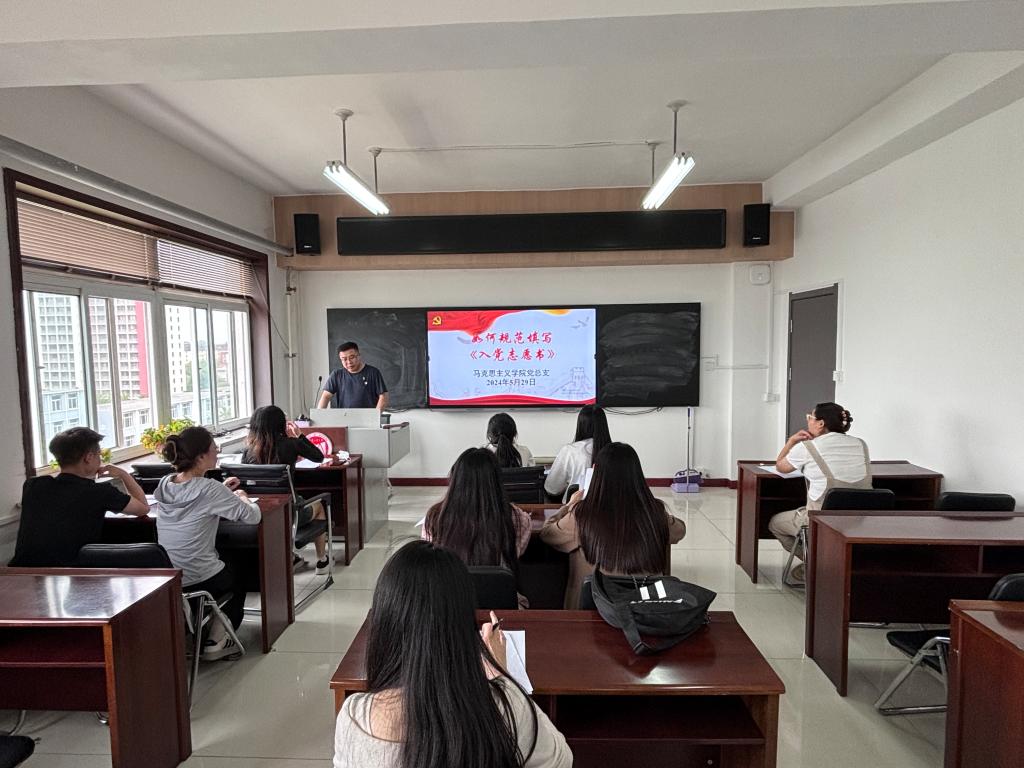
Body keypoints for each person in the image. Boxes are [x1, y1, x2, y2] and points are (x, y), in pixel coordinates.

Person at [333, 540, 571, 768]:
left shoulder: (354, 718)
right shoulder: (502, 709)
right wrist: (501, 676)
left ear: (384, 626)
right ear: (462, 627)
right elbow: (560, 760)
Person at [154, 426, 261, 660]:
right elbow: (252, 516)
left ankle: (199, 621)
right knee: (243, 569)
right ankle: (217, 637)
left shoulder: (165, 484)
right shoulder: (210, 489)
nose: (217, 452)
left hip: (169, 576)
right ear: (201, 457)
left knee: (226, 558)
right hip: (199, 576)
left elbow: (195, 498)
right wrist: (242, 497)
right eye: (214, 448)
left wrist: (222, 492)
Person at [541, 442, 686, 609]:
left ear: (596, 473)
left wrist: (568, 506)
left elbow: (547, 534)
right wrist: (653, 509)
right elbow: (680, 531)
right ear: (637, 474)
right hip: (644, 610)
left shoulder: (581, 515)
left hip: (592, 610)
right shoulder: (654, 512)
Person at [9, 427, 150, 567]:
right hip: (70, 573)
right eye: (99, 455)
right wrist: (123, 474)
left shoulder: (33, 485)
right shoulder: (99, 492)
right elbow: (143, 508)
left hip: (19, 572)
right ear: (88, 457)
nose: (100, 460)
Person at [768, 402, 871, 582]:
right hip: (859, 521)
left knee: (775, 524)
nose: (808, 421)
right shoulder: (860, 444)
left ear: (821, 423)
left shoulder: (807, 447)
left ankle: (816, 565)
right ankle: (836, 565)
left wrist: (791, 441)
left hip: (822, 522)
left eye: (810, 417)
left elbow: (781, 466)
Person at [243, 404, 330, 572]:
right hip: (289, 512)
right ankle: (322, 560)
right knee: (319, 505)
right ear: (280, 424)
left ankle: (291, 556)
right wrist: (300, 435)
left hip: (261, 512)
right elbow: (318, 457)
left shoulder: (248, 451)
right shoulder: (291, 444)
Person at [422, 448, 532, 570]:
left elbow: (431, 559)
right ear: (497, 481)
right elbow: (517, 553)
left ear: (455, 480)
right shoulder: (519, 519)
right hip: (497, 583)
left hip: (449, 582)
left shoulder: (434, 517)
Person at [544, 405, 611, 500]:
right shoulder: (617, 453)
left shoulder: (570, 451)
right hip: (611, 508)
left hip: (575, 507)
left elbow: (552, 489)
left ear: (581, 425)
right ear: (604, 425)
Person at [318, 341, 389, 411]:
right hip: (344, 416)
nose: (349, 362)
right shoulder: (336, 375)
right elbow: (326, 396)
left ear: (359, 355)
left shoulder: (373, 372)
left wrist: (375, 415)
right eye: (344, 359)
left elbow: (384, 396)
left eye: (352, 357)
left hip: (368, 417)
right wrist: (319, 415)